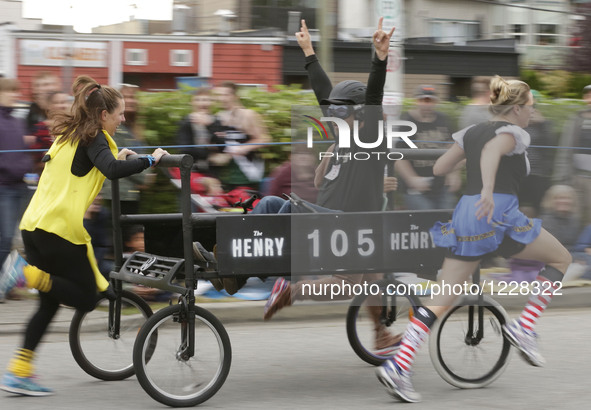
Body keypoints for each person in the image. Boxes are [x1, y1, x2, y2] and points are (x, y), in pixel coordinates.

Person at [375, 76, 572, 403]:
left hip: (466, 214)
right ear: (518, 108)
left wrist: (471, 160)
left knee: (441, 297)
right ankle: (525, 327)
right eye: (530, 109)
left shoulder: (470, 133)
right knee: (561, 258)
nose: (531, 116)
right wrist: (486, 187)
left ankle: (398, 366)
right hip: (497, 212)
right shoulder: (512, 133)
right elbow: (494, 150)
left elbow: (439, 167)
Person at [0, 75, 168, 396]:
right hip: (58, 230)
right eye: (119, 113)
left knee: (49, 303)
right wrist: (151, 159)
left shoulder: (70, 135)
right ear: (103, 114)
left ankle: (18, 371)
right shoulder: (96, 138)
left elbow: (91, 166)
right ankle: (24, 274)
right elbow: (112, 171)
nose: (122, 118)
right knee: (86, 296)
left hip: (34, 225)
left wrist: (117, 157)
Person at [261, 18, 401, 353]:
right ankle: (292, 291)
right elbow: (368, 97)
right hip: (337, 223)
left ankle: (380, 333)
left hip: (317, 216)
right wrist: (379, 59)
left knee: (375, 273)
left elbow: (331, 97)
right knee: (352, 281)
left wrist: (309, 52)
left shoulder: (351, 138)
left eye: (339, 110)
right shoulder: (358, 138)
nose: (333, 114)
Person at [395, 85, 460, 210]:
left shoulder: (444, 120)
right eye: (422, 100)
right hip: (415, 187)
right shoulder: (406, 122)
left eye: (430, 100)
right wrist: (411, 179)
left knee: (445, 221)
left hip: (441, 185)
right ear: (415, 101)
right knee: (425, 221)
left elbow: (454, 149)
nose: (426, 104)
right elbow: (398, 156)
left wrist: (454, 172)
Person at [0, 78, 34, 303]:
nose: (14, 95)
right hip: (4, 187)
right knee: (4, 238)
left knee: (14, 239)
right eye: (9, 91)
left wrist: (25, 170)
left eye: (15, 91)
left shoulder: (17, 121)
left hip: (20, 186)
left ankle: (7, 283)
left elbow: (22, 152)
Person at [101, 83, 155, 215]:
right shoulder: (116, 128)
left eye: (132, 97)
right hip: (118, 193)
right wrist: (145, 177)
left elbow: (141, 153)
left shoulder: (135, 128)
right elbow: (121, 159)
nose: (130, 101)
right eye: (126, 97)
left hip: (131, 194)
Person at [210, 81, 271, 191]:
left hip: (247, 174)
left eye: (225, 95)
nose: (221, 98)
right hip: (225, 176)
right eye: (219, 95)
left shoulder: (248, 114)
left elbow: (265, 139)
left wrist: (243, 148)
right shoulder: (218, 117)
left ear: (235, 96)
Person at [553, 84, 591, 223]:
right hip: (575, 177)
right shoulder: (576, 119)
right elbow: (564, 148)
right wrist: (561, 177)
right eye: (588, 95)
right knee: (575, 217)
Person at [518, 90, 555, 217]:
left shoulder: (543, 123)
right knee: (517, 206)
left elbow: (550, 147)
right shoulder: (515, 122)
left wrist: (543, 124)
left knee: (538, 207)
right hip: (518, 173)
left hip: (537, 174)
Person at [176, 87, 221, 173]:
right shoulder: (186, 122)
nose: (202, 103)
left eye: (206, 100)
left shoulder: (216, 121)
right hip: (193, 168)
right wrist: (209, 153)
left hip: (215, 169)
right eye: (198, 100)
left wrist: (209, 125)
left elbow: (222, 145)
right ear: (192, 103)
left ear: (212, 102)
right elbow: (184, 149)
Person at [29, 90, 71, 175]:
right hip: (46, 178)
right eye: (57, 103)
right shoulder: (40, 129)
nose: (62, 106)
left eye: (64, 102)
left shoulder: (75, 128)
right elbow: (35, 161)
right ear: (49, 106)